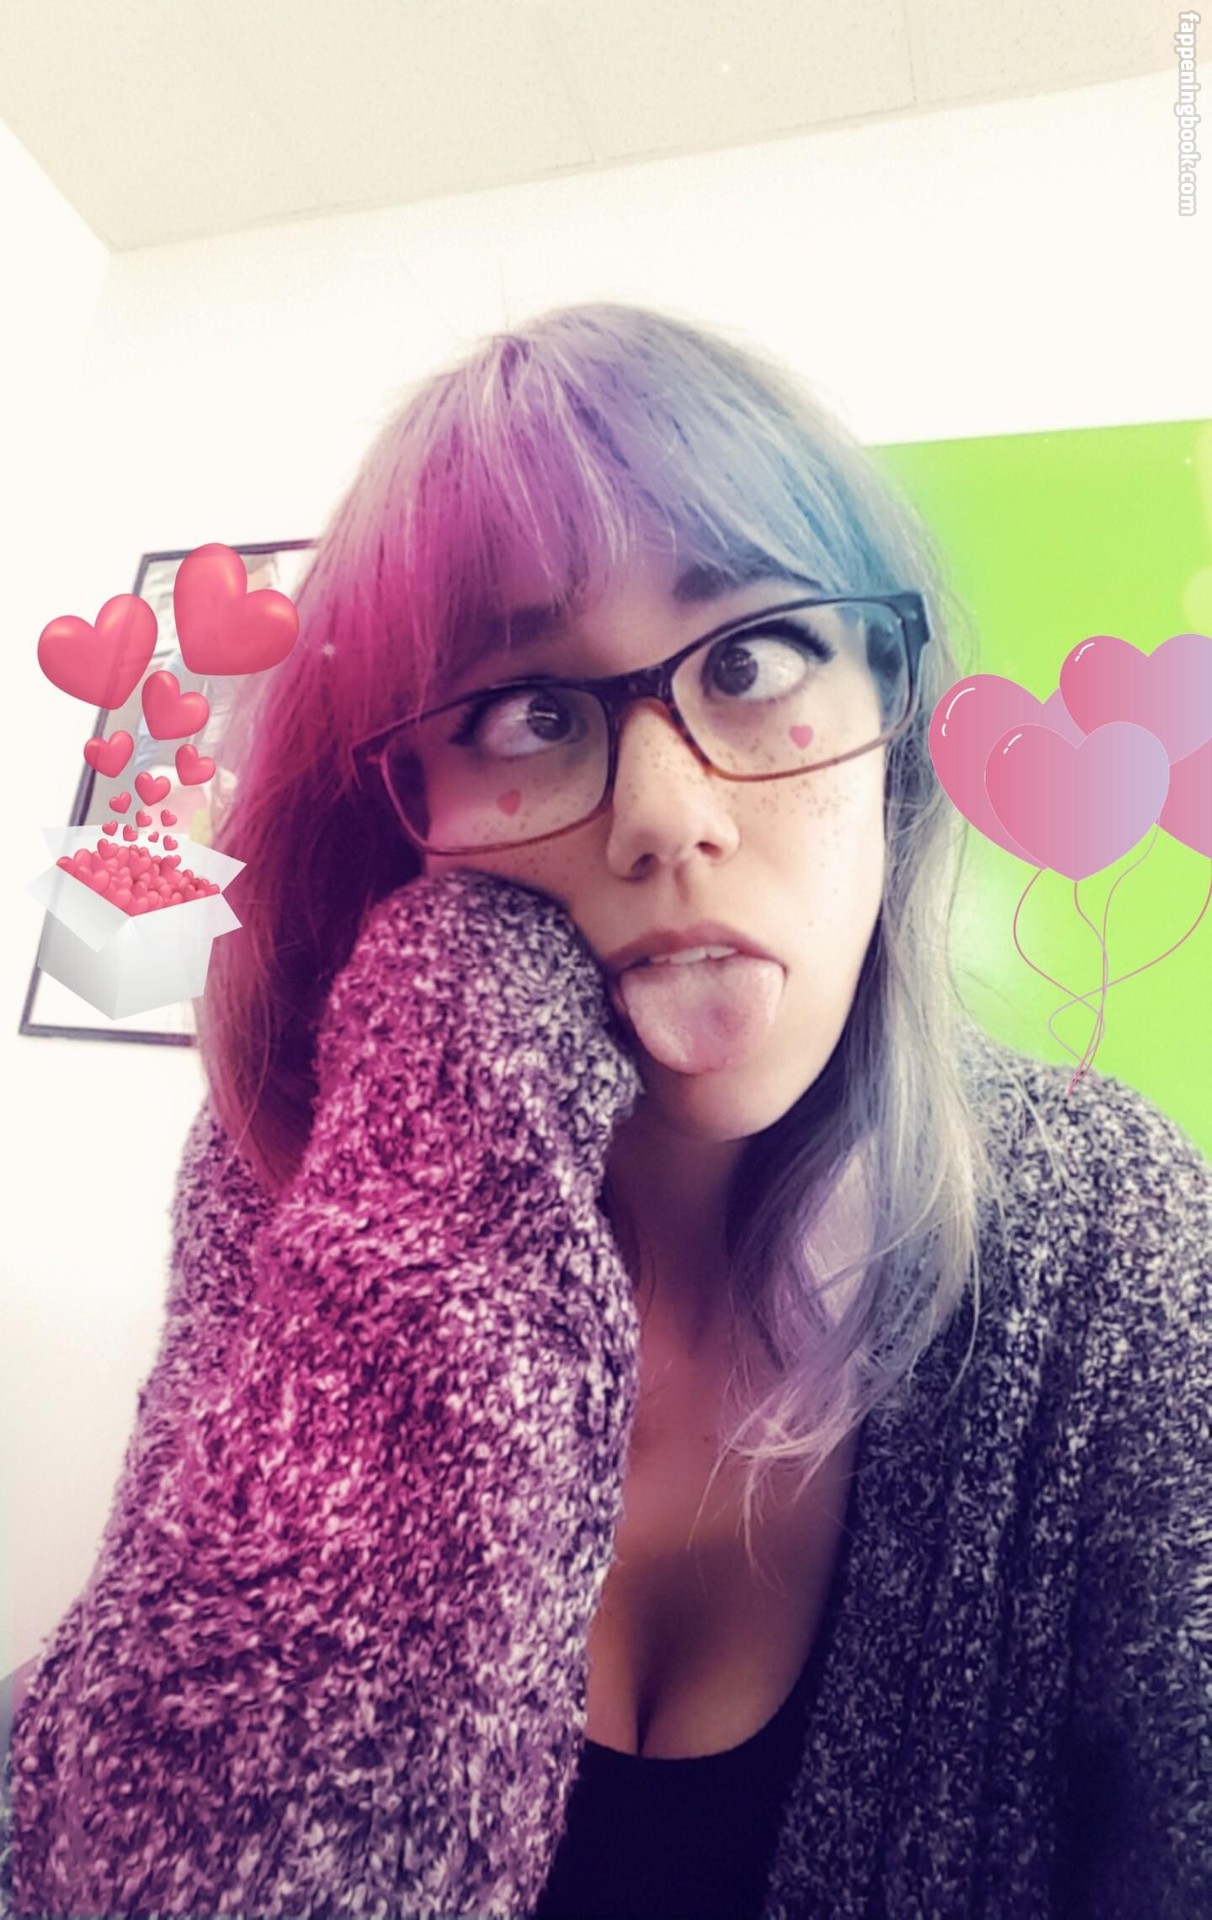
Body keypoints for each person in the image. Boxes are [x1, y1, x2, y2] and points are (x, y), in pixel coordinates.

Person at [3, 302, 1209, 1920]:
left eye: (751, 660)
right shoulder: (287, 1183)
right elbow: (106, 1842)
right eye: (526, 711)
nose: (664, 816)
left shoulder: (1110, 1230)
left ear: (892, 704)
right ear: (409, 818)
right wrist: (443, 1149)